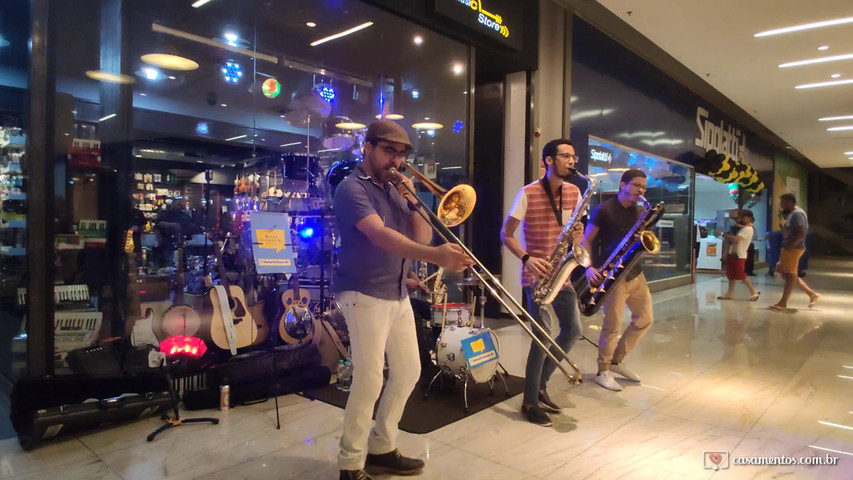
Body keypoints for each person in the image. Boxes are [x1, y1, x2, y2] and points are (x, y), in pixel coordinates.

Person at [333, 120, 473, 480]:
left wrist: (413, 202)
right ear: (367, 147)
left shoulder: (396, 189)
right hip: (362, 292)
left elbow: (421, 235)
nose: (395, 160)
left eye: (400, 154)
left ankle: (381, 447)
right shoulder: (352, 189)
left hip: (396, 291)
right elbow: (381, 237)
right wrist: (437, 256)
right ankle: (350, 464)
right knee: (368, 380)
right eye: (388, 151)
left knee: (409, 370)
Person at [500, 138, 583, 427]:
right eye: (565, 156)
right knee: (543, 335)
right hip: (536, 276)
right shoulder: (528, 193)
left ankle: (542, 383)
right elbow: (506, 234)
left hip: (563, 274)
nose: (572, 161)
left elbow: (574, 233)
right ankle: (530, 401)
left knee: (573, 330)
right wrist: (526, 258)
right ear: (548, 160)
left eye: (574, 157)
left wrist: (576, 238)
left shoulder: (574, 192)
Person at [581, 169, 654, 392]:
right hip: (613, 274)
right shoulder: (603, 210)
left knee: (645, 319)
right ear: (623, 185)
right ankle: (603, 370)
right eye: (636, 185)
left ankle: (616, 361)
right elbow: (587, 240)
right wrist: (588, 267)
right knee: (612, 326)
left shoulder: (641, 211)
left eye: (643, 187)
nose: (640, 191)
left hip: (635, 273)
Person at [770, 193, 820, 310]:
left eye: (783, 202)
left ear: (789, 202)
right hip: (790, 247)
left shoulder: (797, 214)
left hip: (793, 248)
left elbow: (801, 232)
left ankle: (783, 302)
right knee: (783, 271)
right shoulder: (793, 214)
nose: (781, 205)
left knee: (790, 275)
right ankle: (811, 294)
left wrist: (790, 245)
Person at [717, 210, 759, 301]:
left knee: (741, 275)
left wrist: (722, 234)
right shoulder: (744, 227)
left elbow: (736, 239)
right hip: (733, 254)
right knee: (731, 276)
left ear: (748, 217)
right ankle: (729, 294)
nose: (740, 219)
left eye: (742, 217)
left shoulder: (748, 229)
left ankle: (753, 291)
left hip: (739, 255)